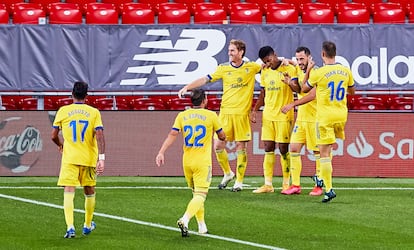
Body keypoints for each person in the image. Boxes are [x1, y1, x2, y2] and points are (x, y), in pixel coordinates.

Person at [178, 39, 261, 192]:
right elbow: (205, 79)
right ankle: (228, 173)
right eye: (229, 51)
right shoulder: (223, 68)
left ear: (241, 52)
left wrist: (286, 61)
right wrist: (187, 87)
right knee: (217, 145)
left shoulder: (252, 67)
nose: (229, 53)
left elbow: (269, 67)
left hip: (241, 114)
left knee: (240, 147)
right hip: (225, 114)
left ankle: (239, 182)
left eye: (232, 51)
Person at [156, 89, 225, 237]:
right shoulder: (211, 115)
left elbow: (172, 134)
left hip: (187, 161)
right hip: (202, 162)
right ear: (205, 100)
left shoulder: (182, 116)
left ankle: (202, 227)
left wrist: (161, 152)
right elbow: (222, 136)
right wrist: (221, 134)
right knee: (201, 194)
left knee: (196, 194)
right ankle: (185, 219)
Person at [302, 41, 355, 202]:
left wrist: (309, 70)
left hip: (325, 117)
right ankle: (321, 177)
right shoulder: (345, 70)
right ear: (335, 53)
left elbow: (304, 88)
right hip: (341, 115)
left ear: (323, 54)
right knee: (329, 149)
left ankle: (328, 188)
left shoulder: (320, 72)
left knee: (323, 153)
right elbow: (352, 91)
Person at [51, 81, 105, 238]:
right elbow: (100, 135)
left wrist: (61, 145)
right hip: (88, 158)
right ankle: (87, 225)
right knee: (89, 190)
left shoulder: (63, 111)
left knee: (69, 190)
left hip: (70, 158)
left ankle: (70, 227)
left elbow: (53, 136)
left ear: (72, 94)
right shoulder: (94, 112)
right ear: (86, 96)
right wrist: (101, 158)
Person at [251, 46, 299, 194]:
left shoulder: (289, 68)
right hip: (268, 115)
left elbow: (298, 89)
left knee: (283, 149)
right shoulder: (265, 71)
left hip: (284, 115)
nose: (268, 63)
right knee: (268, 147)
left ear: (275, 55)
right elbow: (263, 92)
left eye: (269, 60)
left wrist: (289, 83)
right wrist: (255, 109)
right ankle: (268, 184)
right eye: (265, 61)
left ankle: (286, 183)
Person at [280, 46, 324, 196]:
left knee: (317, 152)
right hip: (302, 119)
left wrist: (292, 104)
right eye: (297, 59)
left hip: (315, 118)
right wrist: (289, 83)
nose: (299, 62)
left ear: (309, 58)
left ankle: (319, 185)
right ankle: (296, 185)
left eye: (302, 59)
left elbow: (311, 95)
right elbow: (299, 89)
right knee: (293, 148)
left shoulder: (316, 71)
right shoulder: (298, 69)